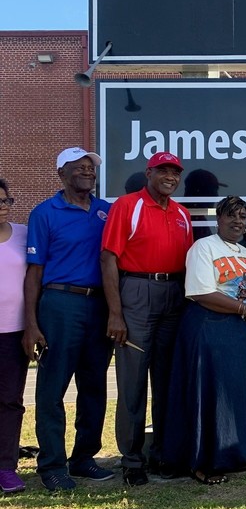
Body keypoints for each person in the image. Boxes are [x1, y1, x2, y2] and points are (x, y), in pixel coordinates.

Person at [22, 148, 114, 491]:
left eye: (91, 168)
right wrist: (31, 323)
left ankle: (84, 458)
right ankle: (52, 465)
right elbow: (34, 273)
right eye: (81, 168)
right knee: (52, 388)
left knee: (94, 386)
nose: (88, 172)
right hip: (60, 302)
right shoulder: (45, 213)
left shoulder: (106, 211)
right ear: (62, 173)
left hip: (99, 305)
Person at [101, 151, 193, 486]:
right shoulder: (127, 205)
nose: (170, 177)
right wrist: (115, 313)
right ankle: (132, 459)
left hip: (173, 294)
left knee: (167, 382)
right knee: (133, 382)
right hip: (137, 291)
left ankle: (164, 454)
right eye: (163, 171)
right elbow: (108, 258)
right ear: (148, 173)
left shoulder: (182, 214)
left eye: (175, 172)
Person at [161, 196, 246, 484]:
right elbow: (201, 292)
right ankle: (202, 462)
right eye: (231, 216)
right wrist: (245, 310)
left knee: (233, 397)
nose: (238, 221)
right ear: (218, 219)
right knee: (209, 397)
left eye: (243, 216)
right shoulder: (203, 248)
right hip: (209, 329)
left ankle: (233, 454)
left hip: (239, 334)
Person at [0, 179, 29, 493]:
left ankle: (6, 467)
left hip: (13, 333)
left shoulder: (23, 234)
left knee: (10, 402)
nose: (3, 206)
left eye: (7, 200)